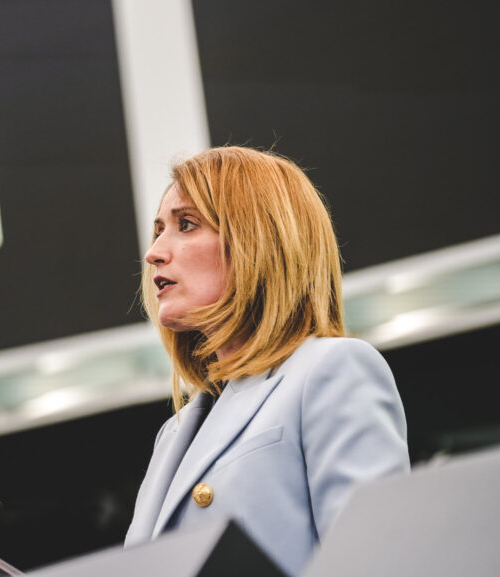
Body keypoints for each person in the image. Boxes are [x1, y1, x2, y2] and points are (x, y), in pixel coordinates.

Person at [124, 146, 409, 576]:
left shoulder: (330, 370)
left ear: (257, 239)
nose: (155, 252)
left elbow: (378, 564)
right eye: (158, 230)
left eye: (186, 224)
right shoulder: (174, 434)